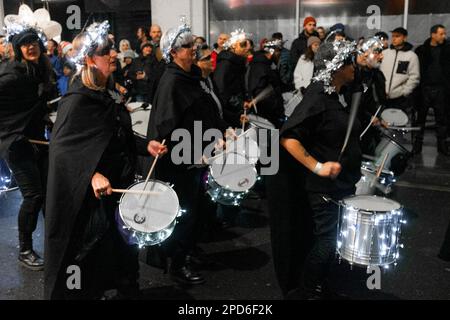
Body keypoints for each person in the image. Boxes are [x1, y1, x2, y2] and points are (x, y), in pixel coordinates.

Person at [45, 21, 159, 300]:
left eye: (112, 50)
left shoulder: (106, 93)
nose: (113, 55)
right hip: (92, 202)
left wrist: (147, 146)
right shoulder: (76, 101)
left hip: (119, 191)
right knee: (93, 261)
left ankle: (127, 289)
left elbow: (117, 134)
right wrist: (91, 175)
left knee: (124, 252)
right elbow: (62, 151)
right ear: (88, 60)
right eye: (104, 51)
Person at [270, 41, 360, 299]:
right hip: (324, 188)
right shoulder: (318, 96)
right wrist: (318, 166)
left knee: (331, 240)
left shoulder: (334, 93)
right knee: (327, 242)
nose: (353, 67)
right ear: (336, 67)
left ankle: (318, 284)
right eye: (348, 63)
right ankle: (308, 291)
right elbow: (288, 138)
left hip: (340, 184)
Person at [147, 20, 228, 285]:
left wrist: (216, 136)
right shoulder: (172, 81)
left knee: (198, 210)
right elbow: (166, 125)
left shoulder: (191, 77)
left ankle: (190, 251)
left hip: (199, 157)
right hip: (181, 161)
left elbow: (203, 113)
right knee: (184, 213)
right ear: (173, 51)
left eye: (192, 44)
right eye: (186, 46)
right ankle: (178, 264)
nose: (192, 49)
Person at [0, 24, 55, 271]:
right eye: (24, 44)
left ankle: (55, 243)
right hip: (15, 143)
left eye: (34, 42)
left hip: (36, 139)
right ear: (18, 50)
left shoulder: (42, 69)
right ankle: (25, 249)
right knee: (33, 195)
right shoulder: (13, 75)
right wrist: (9, 133)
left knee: (46, 192)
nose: (30, 46)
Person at [413, 25, 450, 156]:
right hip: (424, 89)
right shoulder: (421, 50)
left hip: (441, 89)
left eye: (444, 34)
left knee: (442, 120)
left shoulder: (447, 50)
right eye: (441, 34)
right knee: (420, 119)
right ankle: (417, 145)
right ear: (433, 34)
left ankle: (442, 146)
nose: (444, 36)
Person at [213, 29, 252, 127]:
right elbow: (221, 91)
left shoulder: (238, 62)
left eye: (247, 44)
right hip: (229, 115)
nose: (248, 47)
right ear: (233, 46)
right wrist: (239, 103)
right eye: (243, 44)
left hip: (238, 112)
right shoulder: (225, 64)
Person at [247, 39, 285, 128]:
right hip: (266, 117)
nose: (280, 55)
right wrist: (276, 106)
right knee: (267, 141)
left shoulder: (265, 65)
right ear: (273, 51)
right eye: (278, 51)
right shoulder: (261, 67)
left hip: (269, 115)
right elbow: (258, 90)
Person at [379, 27, 420, 111]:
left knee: (398, 122)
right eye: (393, 36)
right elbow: (377, 71)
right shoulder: (384, 53)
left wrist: (405, 92)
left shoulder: (411, 56)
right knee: (383, 121)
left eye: (397, 36)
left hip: (400, 99)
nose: (394, 39)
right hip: (382, 97)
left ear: (404, 38)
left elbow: (414, 77)